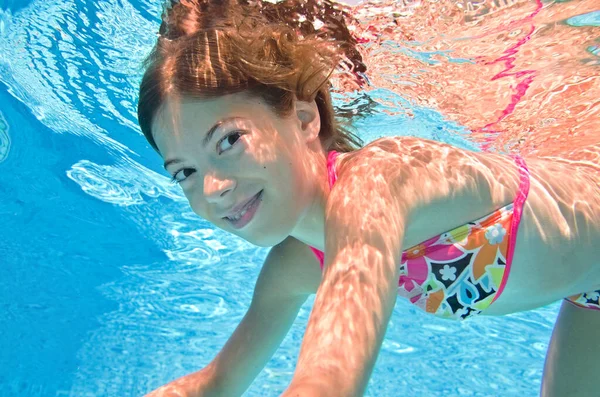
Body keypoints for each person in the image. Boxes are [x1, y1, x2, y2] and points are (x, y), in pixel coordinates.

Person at [138, 1, 600, 396]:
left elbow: (328, 379)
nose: (213, 188)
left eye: (229, 140)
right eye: (185, 172)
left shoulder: (378, 179)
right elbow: (215, 383)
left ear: (303, 120)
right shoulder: (295, 263)